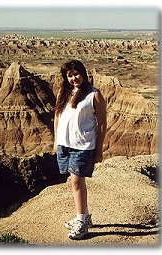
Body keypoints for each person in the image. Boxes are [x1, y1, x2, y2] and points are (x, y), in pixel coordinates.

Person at [54, 59, 107, 240]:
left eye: (76, 74)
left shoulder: (94, 94)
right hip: (65, 144)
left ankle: (81, 223)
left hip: (82, 145)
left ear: (83, 74)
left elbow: (102, 124)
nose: (73, 78)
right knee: (75, 180)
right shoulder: (64, 92)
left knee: (76, 181)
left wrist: (99, 149)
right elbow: (57, 117)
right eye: (69, 75)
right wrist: (56, 141)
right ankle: (85, 215)